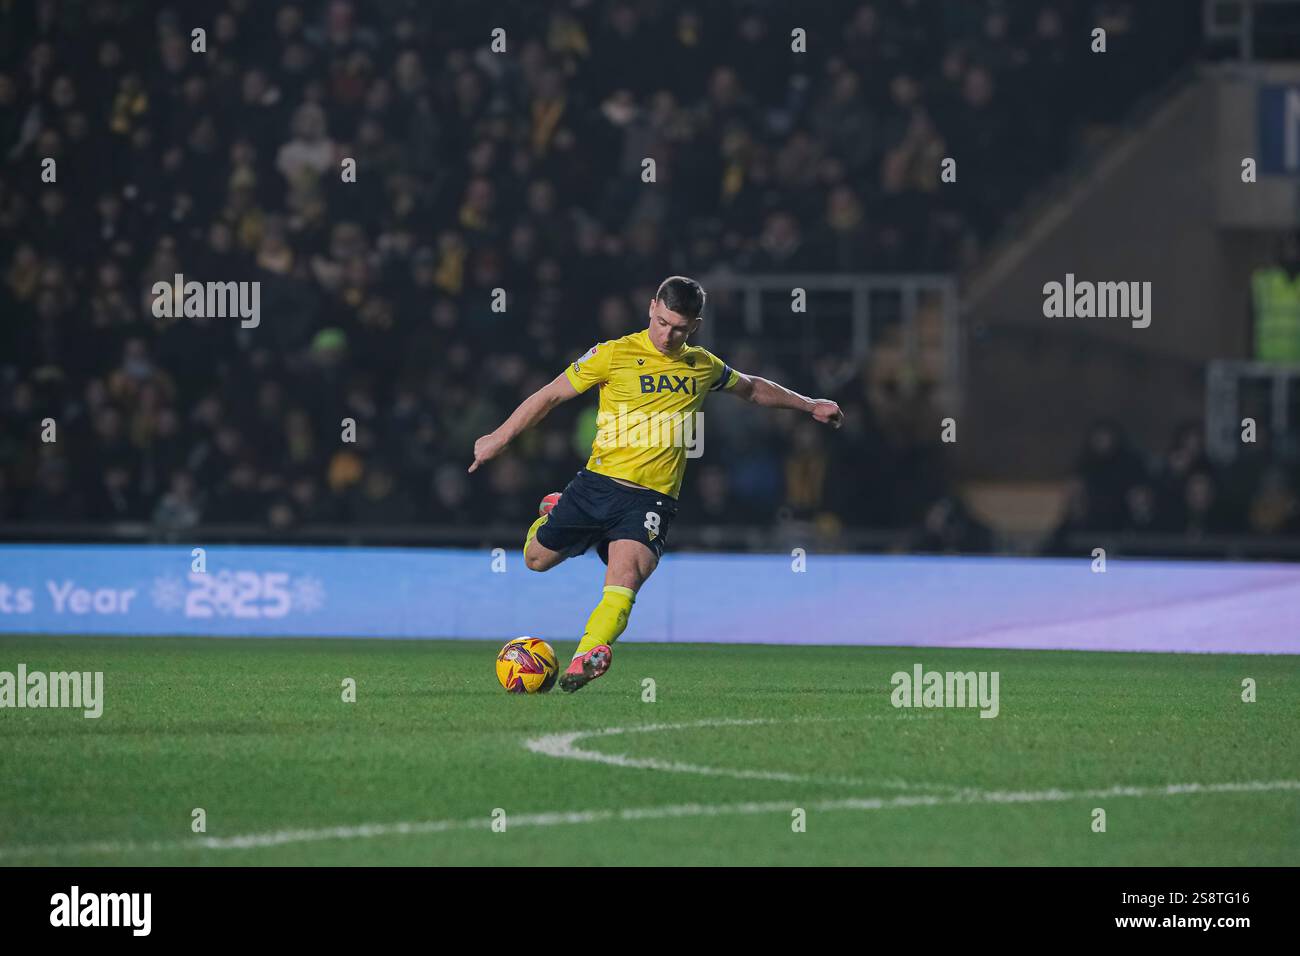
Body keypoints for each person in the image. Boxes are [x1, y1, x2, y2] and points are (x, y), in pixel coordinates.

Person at [468, 275, 844, 692]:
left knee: (626, 577)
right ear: (651, 308)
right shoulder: (612, 354)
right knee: (535, 559)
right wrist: (498, 437)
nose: (667, 334)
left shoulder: (703, 366)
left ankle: (585, 658)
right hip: (596, 484)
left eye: (679, 328)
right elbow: (551, 395)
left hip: (651, 500)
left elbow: (753, 389)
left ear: (694, 326)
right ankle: (555, 511)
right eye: (662, 322)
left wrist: (809, 405)